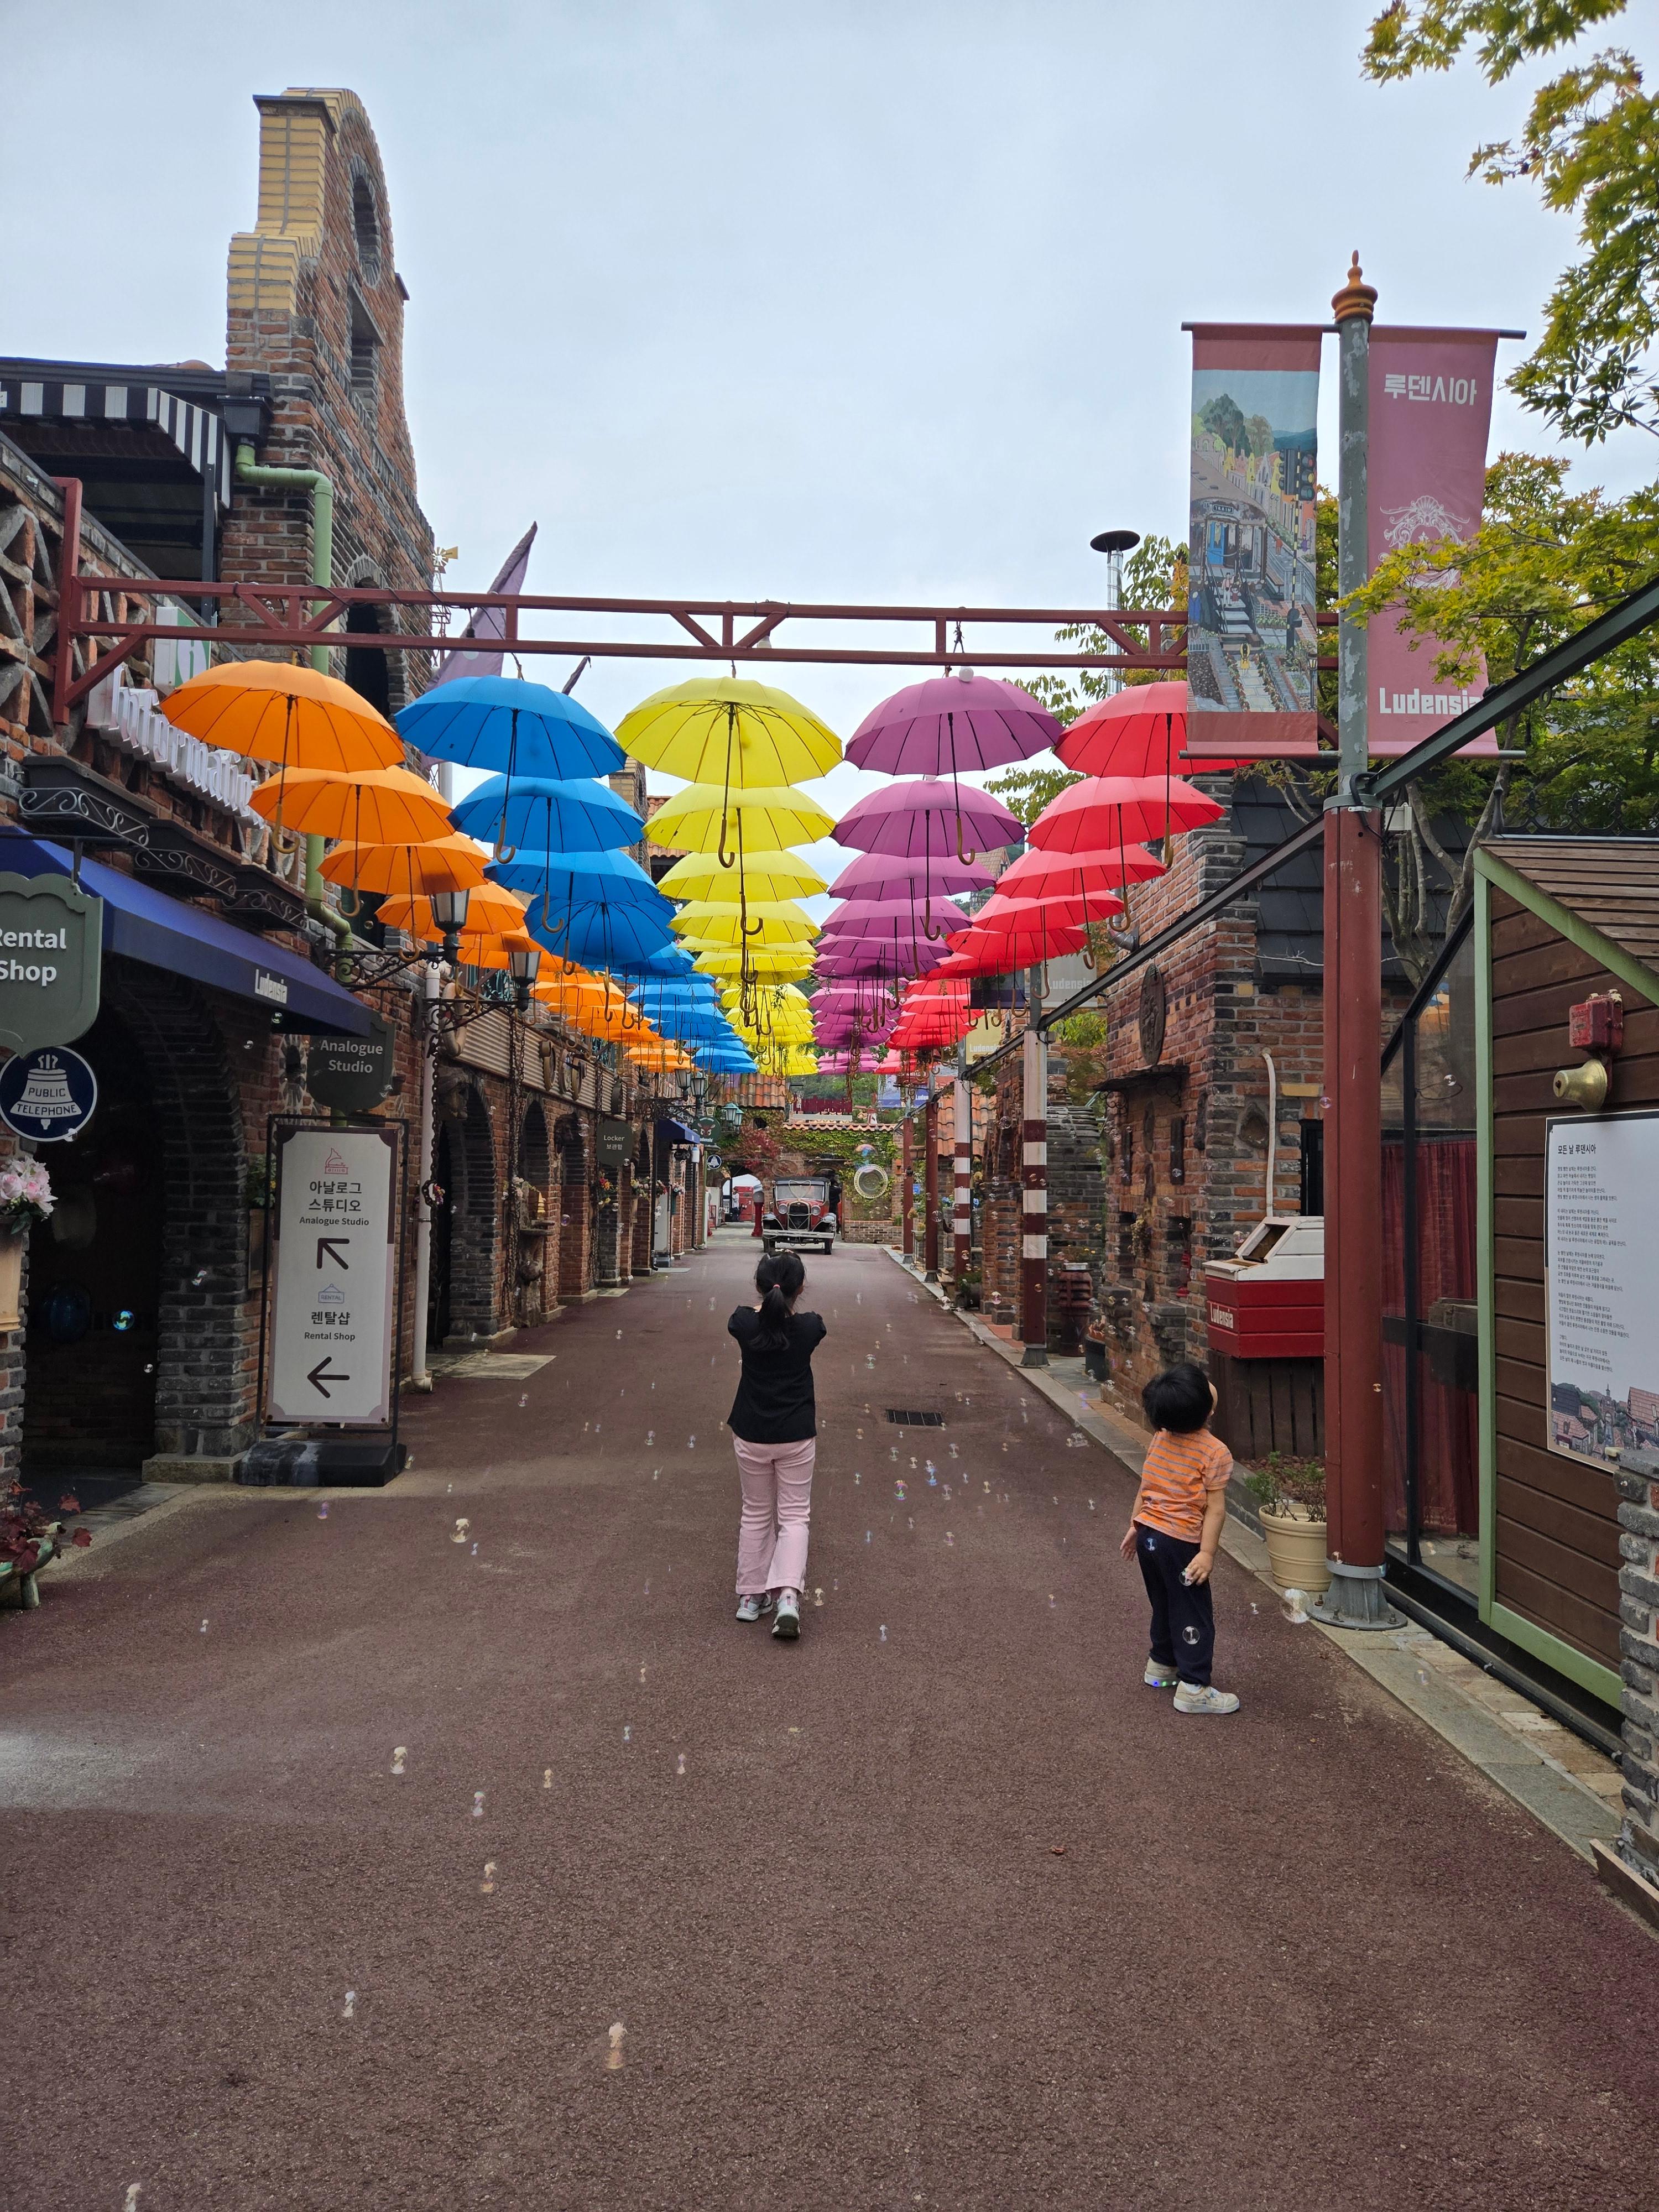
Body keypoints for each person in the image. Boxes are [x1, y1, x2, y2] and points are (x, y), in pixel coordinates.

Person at [1118, 1361, 1240, 1715]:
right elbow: (1215, 1510)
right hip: (1180, 1543)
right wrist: (1207, 1553)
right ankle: (1194, 1688)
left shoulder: (1161, 1437)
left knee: (1164, 1602)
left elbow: (1147, 1486)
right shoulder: (1215, 1452)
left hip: (1149, 1537)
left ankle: (1162, 1665)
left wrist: (1135, 1526)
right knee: (1193, 1612)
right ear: (1207, 1410)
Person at [727, 1250, 826, 1641]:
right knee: (795, 1517)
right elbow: (809, 1322)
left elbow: (748, 1315)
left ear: (760, 1286)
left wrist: (766, 1302)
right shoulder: (810, 1328)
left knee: (755, 1513)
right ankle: (787, 1598)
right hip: (796, 1434)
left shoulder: (742, 1323)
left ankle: (751, 1597)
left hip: (751, 1431)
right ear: (800, 1289)